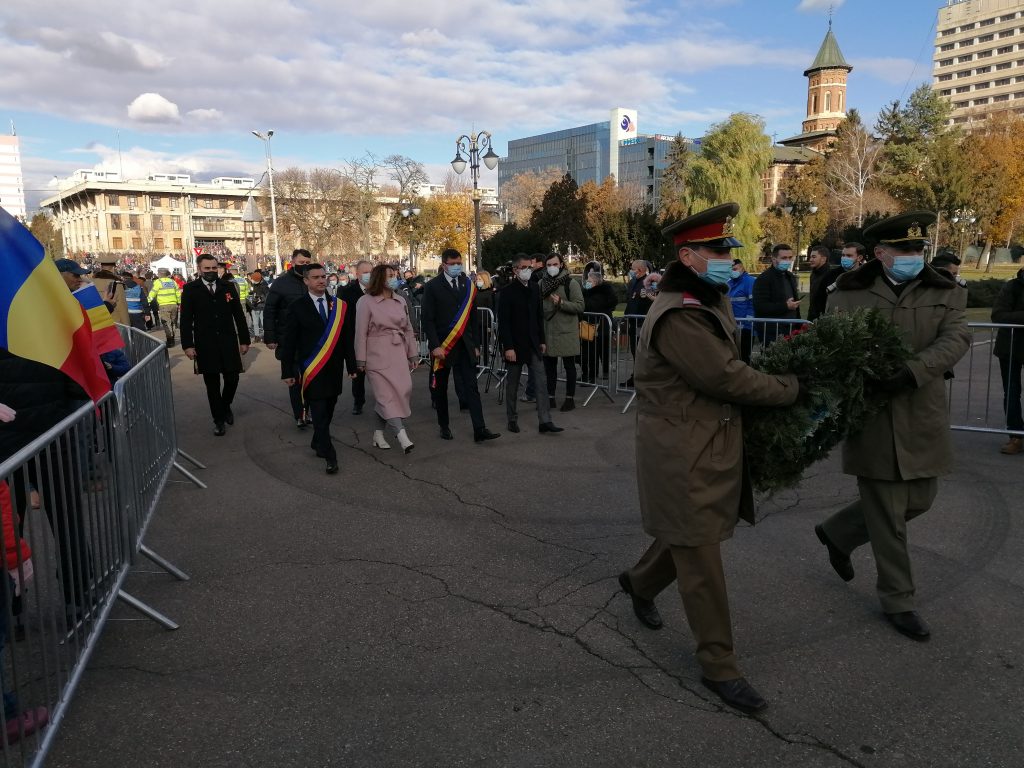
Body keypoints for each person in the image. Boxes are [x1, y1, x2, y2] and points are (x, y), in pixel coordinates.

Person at [618, 202, 800, 714]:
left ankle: (639, 582)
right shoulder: (681, 312)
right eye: (716, 252)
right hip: (682, 448)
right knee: (701, 556)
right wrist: (791, 388)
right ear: (688, 256)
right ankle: (719, 665)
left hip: (702, 440)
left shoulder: (704, 297)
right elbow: (723, 376)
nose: (726, 259)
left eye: (726, 250)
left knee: (688, 536)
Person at [816, 211, 970, 642]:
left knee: (920, 499)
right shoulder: (847, 292)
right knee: (887, 515)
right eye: (904, 249)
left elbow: (956, 338)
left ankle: (838, 532)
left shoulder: (946, 290)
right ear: (880, 253)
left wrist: (912, 370)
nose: (913, 256)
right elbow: (834, 343)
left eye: (918, 248)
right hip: (873, 414)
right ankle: (898, 600)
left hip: (921, 409)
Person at [279, 264, 356, 474]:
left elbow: (347, 338)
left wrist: (351, 364)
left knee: (329, 409)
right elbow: (289, 342)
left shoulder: (339, 306)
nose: (321, 280)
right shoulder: (297, 307)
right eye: (315, 277)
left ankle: (317, 441)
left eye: (323, 276)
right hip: (311, 369)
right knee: (319, 413)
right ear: (306, 281)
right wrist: (287, 371)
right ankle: (329, 455)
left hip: (334, 368)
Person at [421, 249, 500, 443]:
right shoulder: (432, 286)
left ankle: (479, 429)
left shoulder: (467, 284)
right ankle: (444, 426)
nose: (457, 266)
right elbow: (427, 319)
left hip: (465, 345)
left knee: (471, 387)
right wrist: (434, 345)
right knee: (441, 388)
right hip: (443, 346)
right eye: (453, 263)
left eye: (459, 263)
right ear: (444, 265)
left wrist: (476, 344)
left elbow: (473, 316)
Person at [180, 254, 251, 436]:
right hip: (205, 344)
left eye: (214, 268)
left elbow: (239, 315)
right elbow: (186, 320)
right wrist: (187, 345)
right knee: (212, 385)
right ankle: (218, 420)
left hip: (228, 341)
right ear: (199, 269)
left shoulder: (228, 287)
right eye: (207, 268)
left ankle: (225, 405)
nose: (211, 271)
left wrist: (244, 340)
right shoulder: (190, 289)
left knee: (232, 378)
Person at [354, 264, 419, 453]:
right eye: (389, 275)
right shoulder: (365, 301)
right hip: (376, 355)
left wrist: (412, 353)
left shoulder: (400, 300)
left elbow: (408, 329)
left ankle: (378, 434)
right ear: (379, 279)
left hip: (398, 353)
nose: (393, 278)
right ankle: (402, 436)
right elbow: (360, 332)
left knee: (401, 390)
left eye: (394, 275)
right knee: (385, 395)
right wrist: (360, 359)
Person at [498, 254, 563, 435]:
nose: (527, 270)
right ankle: (512, 419)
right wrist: (508, 347)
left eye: (530, 267)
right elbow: (504, 322)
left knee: (541, 383)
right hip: (515, 345)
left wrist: (542, 340)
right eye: (524, 267)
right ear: (515, 270)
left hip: (533, 343)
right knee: (513, 384)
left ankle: (545, 421)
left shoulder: (535, 288)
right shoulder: (507, 292)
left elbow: (538, 316)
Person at [264, 249, 314, 428]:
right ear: (292, 263)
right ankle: (299, 414)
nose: (305, 266)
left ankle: (308, 410)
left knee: (311, 378)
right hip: (289, 339)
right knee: (294, 379)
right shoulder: (281, 283)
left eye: (307, 263)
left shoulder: (313, 280)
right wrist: (270, 336)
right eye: (301, 263)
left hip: (311, 339)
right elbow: (270, 310)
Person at [540, 252, 584, 412]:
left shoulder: (570, 283)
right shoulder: (541, 283)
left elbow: (580, 306)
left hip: (566, 331)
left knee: (569, 366)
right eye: (549, 265)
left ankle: (569, 399)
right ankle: (550, 397)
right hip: (548, 331)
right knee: (549, 367)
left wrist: (561, 303)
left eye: (555, 264)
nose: (552, 267)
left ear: (561, 265)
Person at [992, 266, 1024, 454]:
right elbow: (998, 315)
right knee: (1012, 392)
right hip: (1010, 348)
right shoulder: (1012, 287)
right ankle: (1016, 436)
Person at [340, 260, 374, 416]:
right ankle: (358, 401)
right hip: (356, 338)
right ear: (357, 274)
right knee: (358, 373)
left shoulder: (379, 290)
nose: (369, 275)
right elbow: (344, 318)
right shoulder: (347, 292)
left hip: (376, 338)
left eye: (371, 272)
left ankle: (384, 400)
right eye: (365, 272)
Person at [752, 243, 801, 343]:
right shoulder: (763, 279)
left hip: (791, 328)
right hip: (772, 332)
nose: (788, 261)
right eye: (784, 258)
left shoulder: (790, 276)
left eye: (790, 257)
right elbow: (760, 306)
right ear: (774, 259)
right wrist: (786, 306)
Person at [581, 261, 617, 383]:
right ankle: (592, 373)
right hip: (589, 324)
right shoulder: (586, 291)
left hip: (602, 324)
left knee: (603, 349)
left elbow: (610, 302)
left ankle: (604, 371)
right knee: (590, 351)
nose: (587, 282)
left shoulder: (604, 290)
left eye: (590, 280)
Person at [620, 259, 654, 388]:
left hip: (642, 323)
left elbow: (653, 300)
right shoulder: (633, 282)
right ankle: (635, 376)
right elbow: (630, 301)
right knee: (635, 352)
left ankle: (643, 378)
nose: (631, 271)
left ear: (639, 270)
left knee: (642, 353)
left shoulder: (649, 282)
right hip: (633, 322)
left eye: (632, 269)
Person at [727, 259, 757, 363]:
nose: (733, 271)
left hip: (746, 327)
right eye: (730, 269)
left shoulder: (750, 281)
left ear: (742, 268)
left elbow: (753, 304)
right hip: (733, 327)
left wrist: (747, 323)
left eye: (735, 269)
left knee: (744, 357)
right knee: (734, 356)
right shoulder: (729, 283)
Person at [807, 244, 843, 321]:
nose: (810, 260)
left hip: (825, 319)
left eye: (814, 257)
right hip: (812, 318)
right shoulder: (813, 274)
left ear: (823, 259)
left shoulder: (831, 275)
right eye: (810, 257)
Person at [91, 256, 130, 326]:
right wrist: (127, 327)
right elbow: (122, 309)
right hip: (113, 324)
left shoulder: (90, 283)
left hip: (95, 323)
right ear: (113, 268)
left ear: (101, 267)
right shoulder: (117, 285)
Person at [147, 268, 181, 347]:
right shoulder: (173, 282)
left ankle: (170, 340)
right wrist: (179, 302)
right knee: (173, 323)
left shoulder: (158, 282)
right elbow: (178, 293)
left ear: (160, 274)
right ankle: (172, 338)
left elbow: (153, 292)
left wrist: (148, 301)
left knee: (166, 323)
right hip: (174, 305)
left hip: (164, 306)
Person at [248, 270, 269, 342]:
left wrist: (260, 299)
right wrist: (251, 294)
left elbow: (267, 296)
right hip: (254, 306)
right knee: (255, 323)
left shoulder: (264, 285)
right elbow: (254, 293)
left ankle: (265, 337)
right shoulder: (254, 284)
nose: (251, 280)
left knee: (263, 323)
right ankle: (257, 337)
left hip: (262, 307)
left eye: (253, 279)